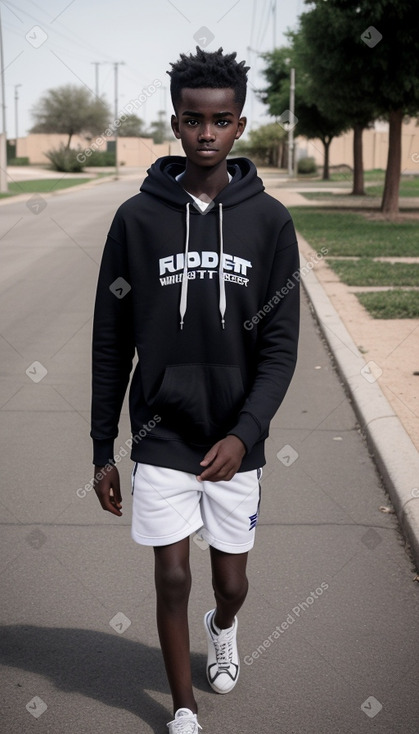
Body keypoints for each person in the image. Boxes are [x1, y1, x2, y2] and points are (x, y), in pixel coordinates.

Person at [91, 47, 300, 734]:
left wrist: (246, 433)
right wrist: (103, 446)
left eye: (219, 121)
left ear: (239, 125)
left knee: (229, 582)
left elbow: (279, 346)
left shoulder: (269, 223)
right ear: (175, 122)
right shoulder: (137, 220)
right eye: (191, 120)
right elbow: (111, 340)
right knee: (173, 575)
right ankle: (182, 707)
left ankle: (223, 625)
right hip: (162, 432)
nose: (204, 133)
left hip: (235, 437)